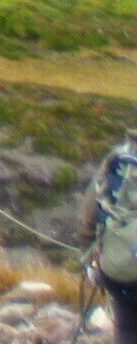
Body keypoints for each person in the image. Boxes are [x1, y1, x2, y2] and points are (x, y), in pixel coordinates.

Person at [88, 128, 137, 339]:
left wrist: (90, 257)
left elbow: (87, 215)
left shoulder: (118, 157)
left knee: (126, 329)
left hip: (117, 268)